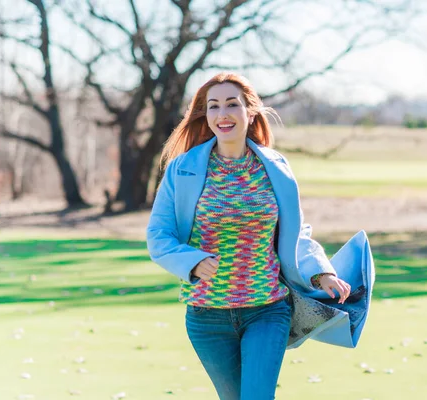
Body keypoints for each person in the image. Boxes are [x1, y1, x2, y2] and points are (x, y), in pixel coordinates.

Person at [146, 72, 354, 400]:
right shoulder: (182, 169)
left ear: (250, 111)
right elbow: (159, 235)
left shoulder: (275, 167)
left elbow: (294, 230)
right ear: (206, 115)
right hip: (206, 316)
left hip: (267, 309)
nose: (222, 113)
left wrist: (321, 271)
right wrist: (193, 261)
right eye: (213, 106)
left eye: (232, 104)